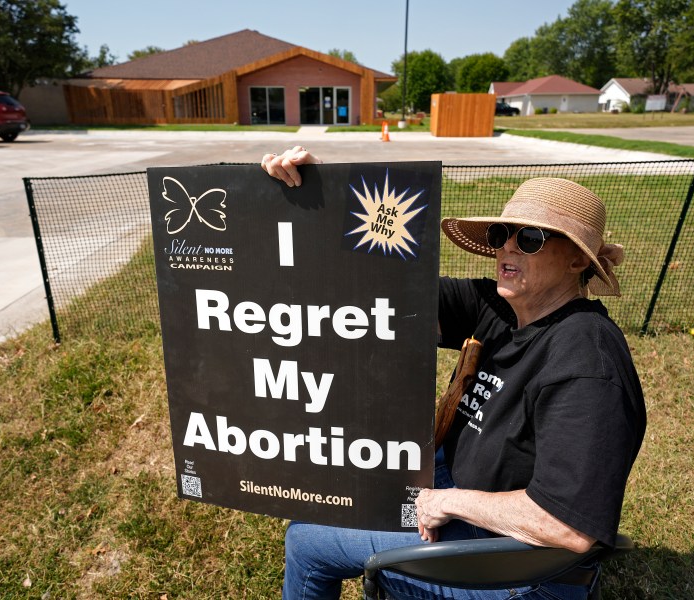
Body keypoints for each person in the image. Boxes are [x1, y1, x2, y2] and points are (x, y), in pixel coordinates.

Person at [261, 147, 646, 600]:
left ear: (578, 261)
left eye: (530, 239)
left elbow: (566, 526)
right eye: (503, 233)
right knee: (330, 501)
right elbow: (385, 293)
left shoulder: (586, 361)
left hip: (514, 566)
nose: (506, 246)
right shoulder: (502, 309)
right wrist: (326, 199)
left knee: (306, 538)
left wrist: (448, 501)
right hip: (458, 495)